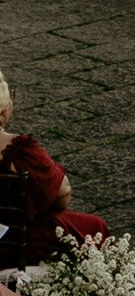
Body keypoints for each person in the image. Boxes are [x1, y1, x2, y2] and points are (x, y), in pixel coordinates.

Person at [0, 69, 109, 264]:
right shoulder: (19, 150)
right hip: (14, 242)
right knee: (94, 227)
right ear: (4, 109)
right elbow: (62, 193)